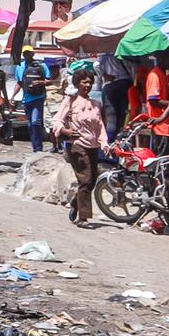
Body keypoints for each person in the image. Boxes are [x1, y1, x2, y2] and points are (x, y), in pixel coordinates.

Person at [60, 68, 106, 226]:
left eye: (90, 82)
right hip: (76, 145)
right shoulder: (70, 101)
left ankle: (75, 203)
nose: (88, 85)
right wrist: (65, 130)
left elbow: (100, 126)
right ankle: (83, 218)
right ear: (77, 83)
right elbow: (57, 121)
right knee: (85, 179)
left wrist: (104, 143)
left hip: (93, 146)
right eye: (84, 82)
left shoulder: (96, 104)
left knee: (92, 180)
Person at [13, 48, 47, 152]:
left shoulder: (42, 66)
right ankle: (35, 146)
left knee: (35, 121)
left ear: (33, 54)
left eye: (29, 53)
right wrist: (13, 96)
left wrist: (41, 83)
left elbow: (49, 80)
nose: (27, 55)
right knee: (30, 124)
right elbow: (19, 82)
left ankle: (38, 147)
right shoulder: (20, 66)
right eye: (25, 53)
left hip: (39, 97)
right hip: (26, 98)